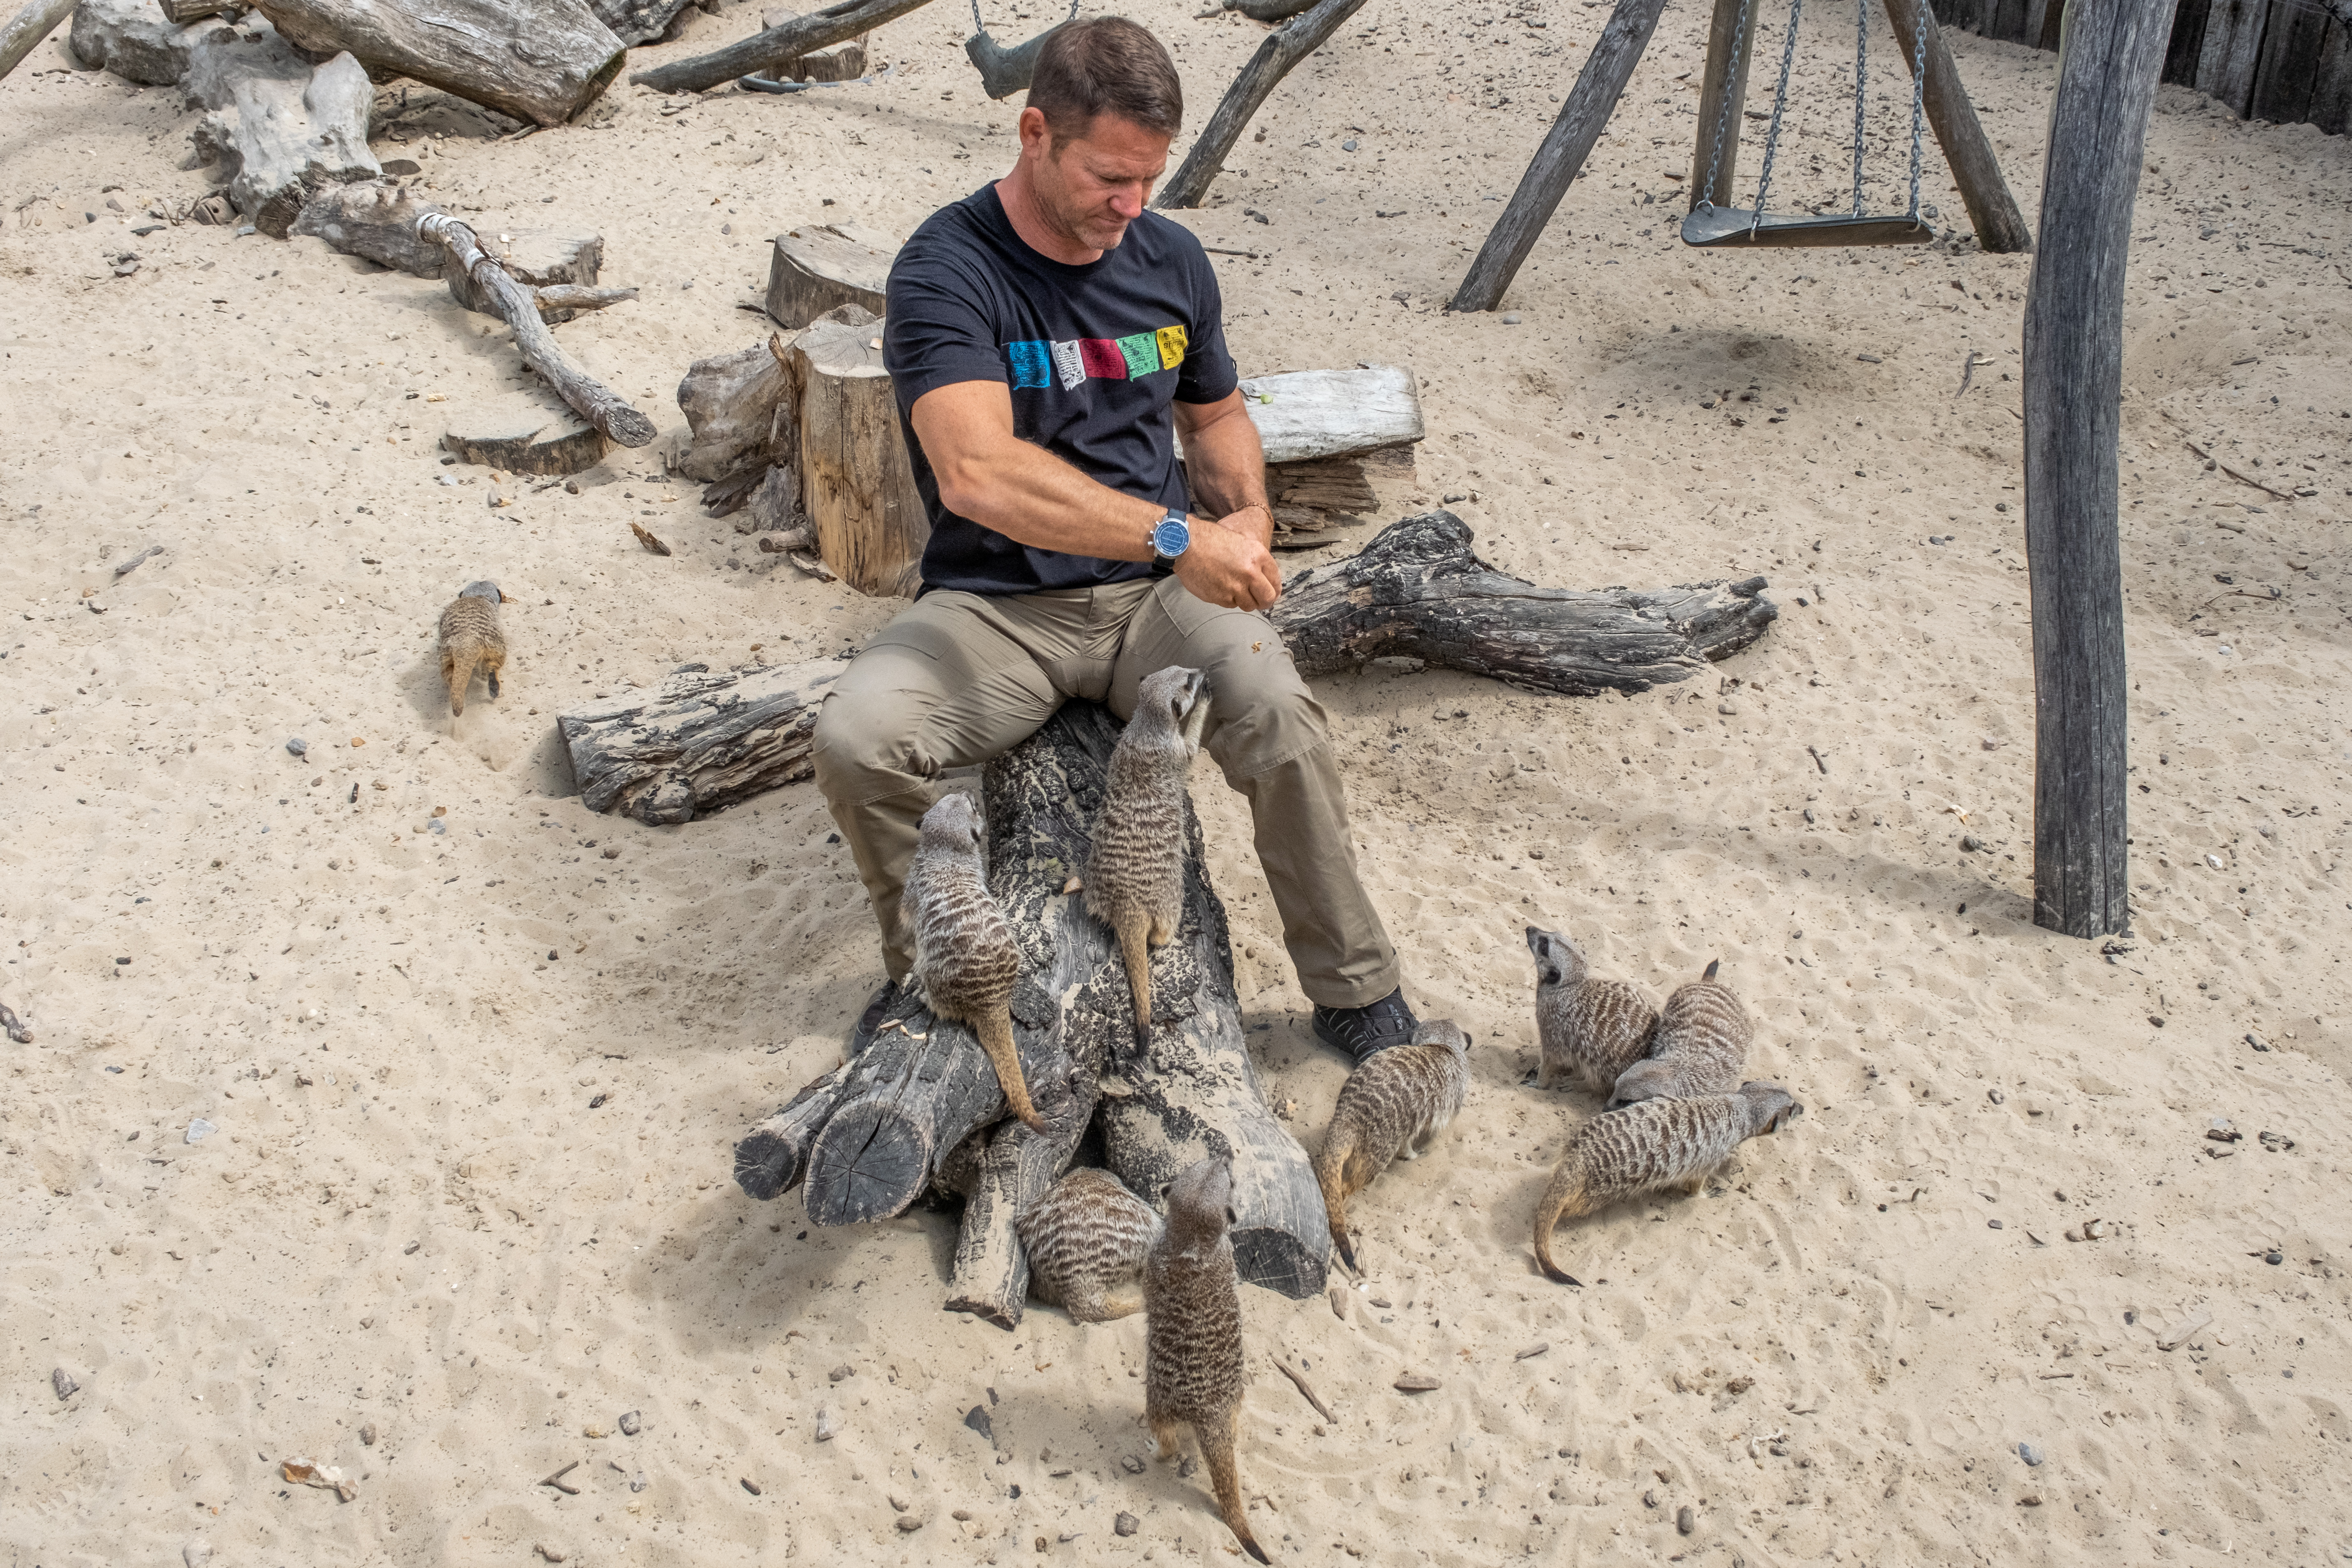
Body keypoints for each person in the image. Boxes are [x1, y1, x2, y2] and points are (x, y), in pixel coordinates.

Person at [811, 16, 1414, 1063]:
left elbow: (1215, 416)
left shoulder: (1168, 258)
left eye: (1148, 180)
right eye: (1107, 178)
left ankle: (1353, 986)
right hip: (997, 606)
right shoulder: (946, 270)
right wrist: (1179, 533)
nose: (1130, 206)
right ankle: (932, 979)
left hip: (1151, 601)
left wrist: (1246, 513)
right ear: (1034, 133)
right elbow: (977, 473)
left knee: (1282, 719)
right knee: (856, 744)